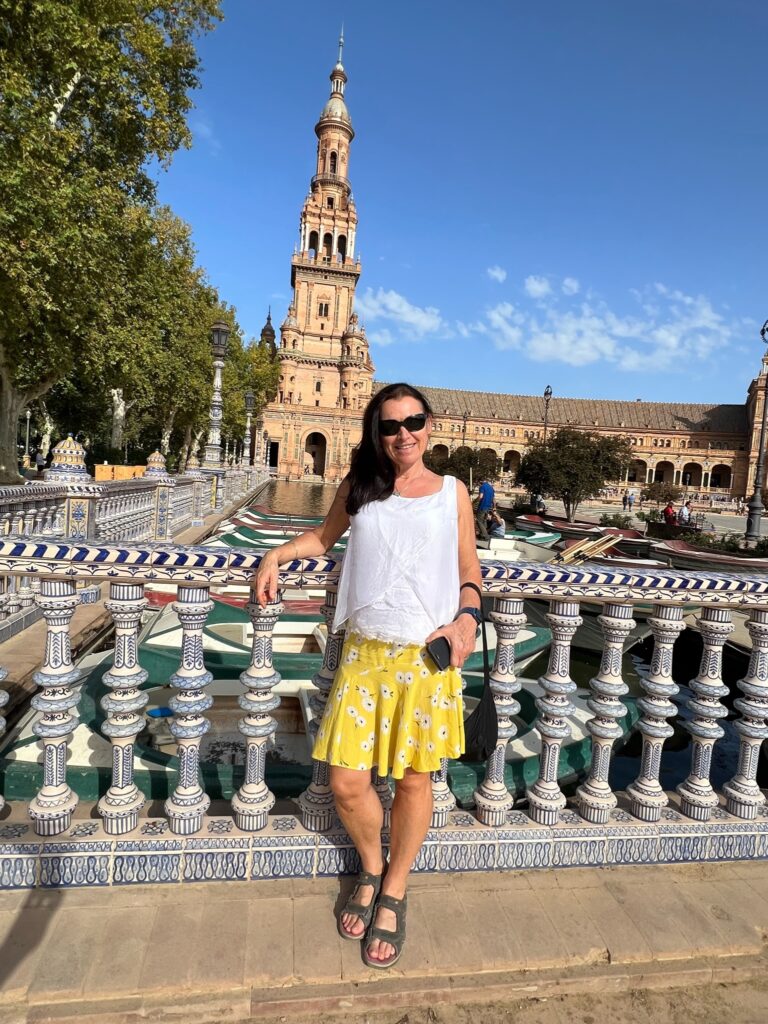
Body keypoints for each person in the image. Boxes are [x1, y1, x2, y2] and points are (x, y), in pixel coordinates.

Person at [254, 382, 481, 969]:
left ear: (430, 425)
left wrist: (467, 619)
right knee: (347, 782)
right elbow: (322, 539)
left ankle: (395, 891)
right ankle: (371, 866)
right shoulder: (360, 487)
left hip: (424, 659)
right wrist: (274, 554)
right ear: (375, 434)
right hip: (363, 657)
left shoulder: (452, 493)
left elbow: (467, 567)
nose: (403, 433)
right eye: (390, 425)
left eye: (414, 421)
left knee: (412, 783)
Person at [475, 476, 495, 542]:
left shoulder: (482, 486)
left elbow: (481, 496)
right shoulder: (491, 488)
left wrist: (473, 502)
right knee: (483, 521)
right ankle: (482, 535)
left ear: (480, 481)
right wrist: (494, 507)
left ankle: (486, 537)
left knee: (478, 521)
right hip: (488, 507)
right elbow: (493, 499)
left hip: (482, 506)